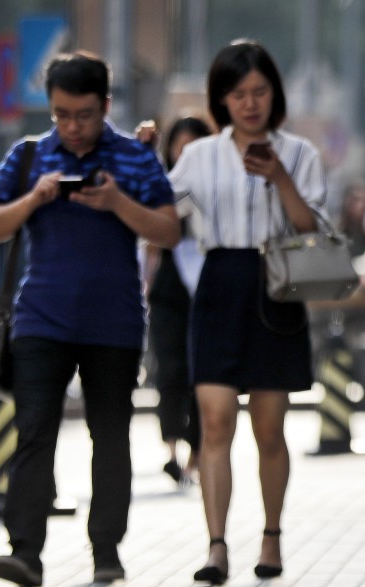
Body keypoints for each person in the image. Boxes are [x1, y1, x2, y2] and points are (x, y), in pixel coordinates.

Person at [0, 51, 179, 587]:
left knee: (110, 437)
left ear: (105, 106)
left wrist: (116, 203)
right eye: (61, 114)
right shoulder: (27, 157)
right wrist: (34, 199)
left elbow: (168, 230)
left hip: (114, 323)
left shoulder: (134, 159)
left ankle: (106, 549)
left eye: (84, 115)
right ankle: (25, 552)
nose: (72, 126)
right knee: (34, 431)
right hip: (40, 318)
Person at [167, 39, 329, 586]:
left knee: (269, 426)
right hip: (219, 284)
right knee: (214, 420)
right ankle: (215, 546)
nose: (250, 103)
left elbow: (313, 228)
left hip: (276, 285)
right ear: (221, 98)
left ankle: (271, 536)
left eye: (259, 91)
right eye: (238, 94)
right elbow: (166, 210)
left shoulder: (299, 152)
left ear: (274, 94)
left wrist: (279, 175)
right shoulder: (200, 154)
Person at [140, 115, 213, 486]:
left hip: (207, 288)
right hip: (169, 288)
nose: (183, 154)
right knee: (169, 370)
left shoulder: (216, 186)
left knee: (202, 373)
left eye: (192, 147)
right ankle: (171, 449)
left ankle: (198, 452)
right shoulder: (163, 188)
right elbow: (150, 239)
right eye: (177, 146)